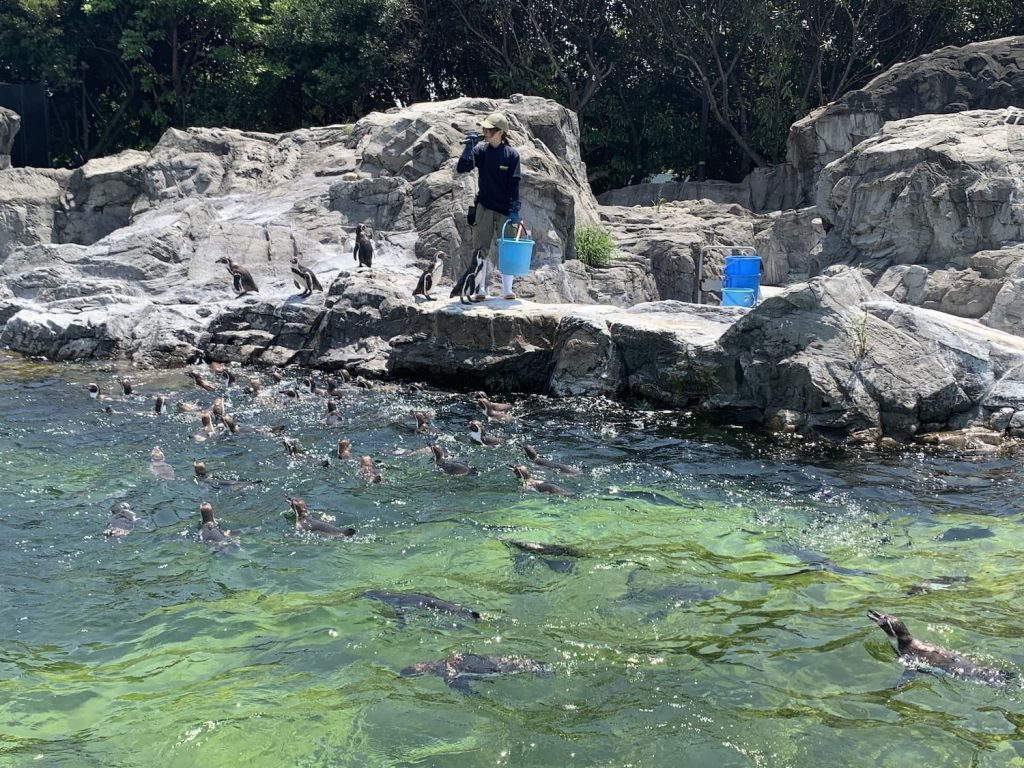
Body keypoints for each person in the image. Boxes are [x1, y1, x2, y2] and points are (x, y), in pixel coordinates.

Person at [456, 111, 522, 301]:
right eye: (484, 128)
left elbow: (514, 185)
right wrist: (468, 149)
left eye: (489, 129)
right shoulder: (481, 151)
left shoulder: (512, 155)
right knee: (480, 249)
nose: (485, 131)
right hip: (484, 207)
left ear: (500, 132)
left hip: (506, 209)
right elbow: (462, 168)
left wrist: (515, 210)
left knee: (508, 249)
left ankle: (507, 290)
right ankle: (481, 289)